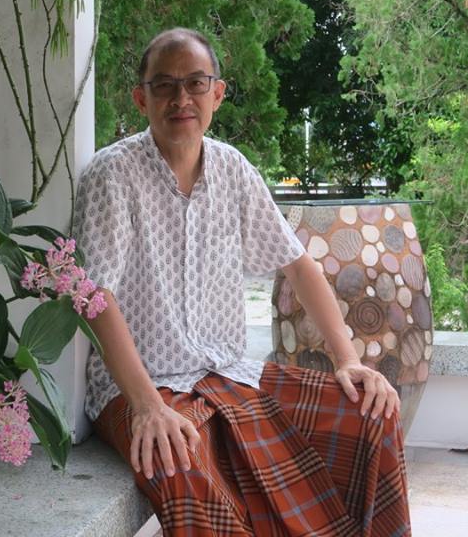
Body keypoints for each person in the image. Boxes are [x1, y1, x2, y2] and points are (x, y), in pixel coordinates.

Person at [72, 28, 411, 536]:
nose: (181, 99)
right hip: (144, 386)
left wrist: (348, 360)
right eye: (164, 85)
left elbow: (298, 265)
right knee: (180, 463)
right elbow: (93, 296)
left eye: (195, 83)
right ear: (141, 98)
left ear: (218, 93)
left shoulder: (233, 169)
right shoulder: (112, 175)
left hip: (227, 374)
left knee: (370, 412)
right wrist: (147, 407)